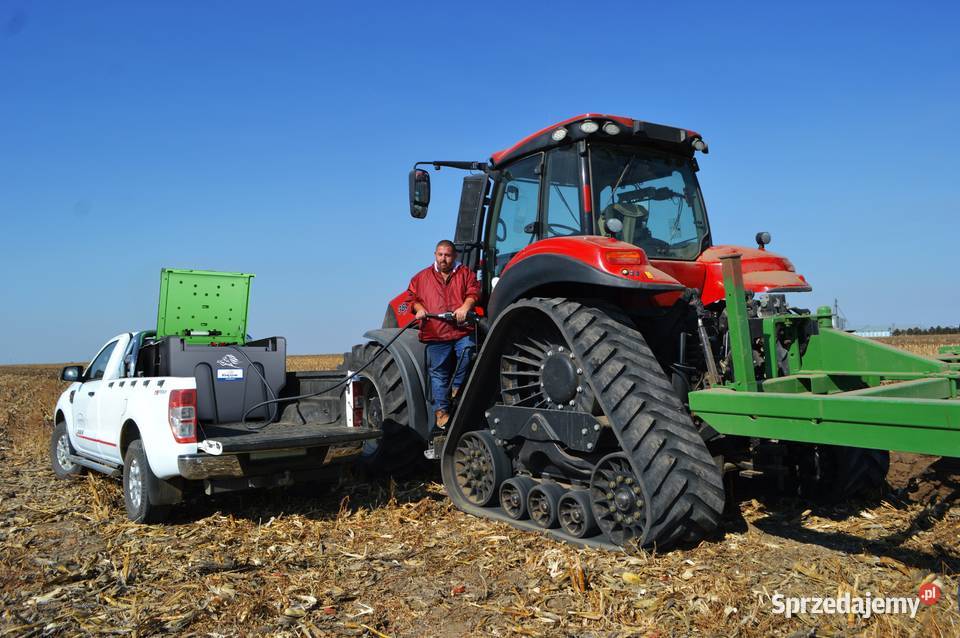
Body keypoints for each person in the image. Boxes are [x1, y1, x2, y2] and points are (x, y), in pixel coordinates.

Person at [406, 240, 480, 429]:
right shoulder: (421, 278)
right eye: (440, 255)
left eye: (447, 255)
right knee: (438, 372)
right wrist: (420, 309)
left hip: (461, 329)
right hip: (436, 331)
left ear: (454, 256)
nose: (443, 259)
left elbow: (473, 293)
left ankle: (456, 388)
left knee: (468, 352)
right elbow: (412, 299)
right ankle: (441, 412)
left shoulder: (465, 274)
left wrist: (464, 307)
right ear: (435, 255)